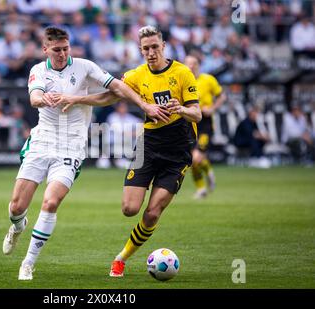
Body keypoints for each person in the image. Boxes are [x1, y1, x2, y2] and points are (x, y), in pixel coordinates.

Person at [1, 27, 169, 281]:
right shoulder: (38, 70)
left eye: (65, 48)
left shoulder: (85, 66)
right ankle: (17, 225)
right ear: (45, 49)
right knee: (17, 206)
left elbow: (117, 87)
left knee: (50, 202)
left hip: (72, 144)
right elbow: (34, 98)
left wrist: (144, 105)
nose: (62, 54)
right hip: (42, 141)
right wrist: (49, 98)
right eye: (56, 50)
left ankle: (28, 262)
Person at [55, 25, 202, 277]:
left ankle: (121, 258)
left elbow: (197, 113)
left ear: (163, 46)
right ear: (140, 50)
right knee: (129, 209)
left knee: (153, 212)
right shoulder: (135, 76)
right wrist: (77, 99)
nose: (151, 52)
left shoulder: (182, 73)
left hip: (178, 151)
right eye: (146, 48)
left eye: (155, 47)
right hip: (148, 145)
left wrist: (182, 110)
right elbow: (108, 97)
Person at [184, 55, 226, 199]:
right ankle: (202, 187)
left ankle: (205, 178)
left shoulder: (208, 79)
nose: (191, 66)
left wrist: (213, 108)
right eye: (188, 64)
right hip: (189, 123)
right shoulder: (182, 80)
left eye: (194, 63)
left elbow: (222, 96)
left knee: (196, 158)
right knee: (192, 159)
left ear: (198, 65)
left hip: (205, 123)